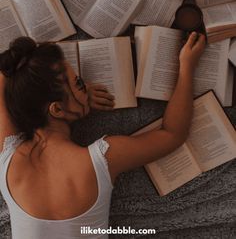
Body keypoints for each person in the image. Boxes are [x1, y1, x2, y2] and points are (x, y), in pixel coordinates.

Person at [0, 33, 205, 239]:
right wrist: (187, 67)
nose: (85, 87)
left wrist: (72, 96)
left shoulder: (7, 158)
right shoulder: (102, 159)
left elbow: (3, 73)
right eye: (79, 83)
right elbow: (172, 134)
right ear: (56, 109)